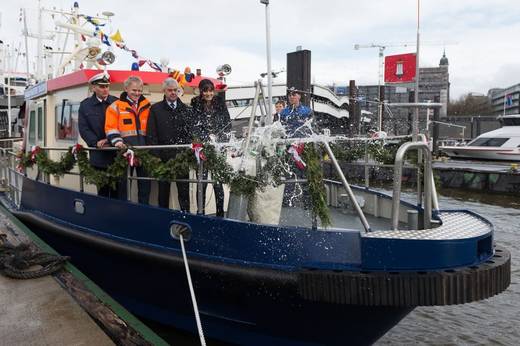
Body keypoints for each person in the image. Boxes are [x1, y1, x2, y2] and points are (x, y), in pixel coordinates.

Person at [147, 78, 192, 211]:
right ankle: (163, 219)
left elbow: (190, 134)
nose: (173, 93)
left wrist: (187, 155)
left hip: (182, 158)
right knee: (163, 193)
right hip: (163, 159)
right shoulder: (155, 109)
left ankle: (186, 216)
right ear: (164, 91)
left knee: (184, 192)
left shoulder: (186, 110)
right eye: (170, 90)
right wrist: (156, 157)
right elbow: (151, 135)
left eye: (175, 90)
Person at [105, 75, 151, 204]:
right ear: (126, 89)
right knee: (123, 188)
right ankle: (124, 214)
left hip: (145, 152)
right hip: (124, 152)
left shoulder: (147, 106)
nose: (137, 93)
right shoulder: (115, 107)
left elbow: (152, 129)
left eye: (139, 90)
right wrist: (118, 142)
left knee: (145, 187)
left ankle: (144, 212)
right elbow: (111, 128)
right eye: (134, 90)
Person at [191, 79, 231, 217]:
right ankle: (200, 212)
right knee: (201, 181)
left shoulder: (220, 103)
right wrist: (205, 140)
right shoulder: (195, 103)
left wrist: (220, 140)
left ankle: (220, 213)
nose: (208, 93)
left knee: (217, 182)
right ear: (201, 91)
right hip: (202, 148)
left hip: (218, 148)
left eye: (210, 90)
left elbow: (227, 124)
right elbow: (194, 126)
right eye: (205, 90)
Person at [78, 72, 119, 198]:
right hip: (99, 156)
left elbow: (121, 125)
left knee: (118, 192)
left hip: (116, 155)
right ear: (93, 88)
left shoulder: (116, 102)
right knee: (102, 192)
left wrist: (112, 140)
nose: (105, 89)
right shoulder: (85, 105)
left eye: (107, 86)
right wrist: (95, 142)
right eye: (101, 86)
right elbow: (84, 129)